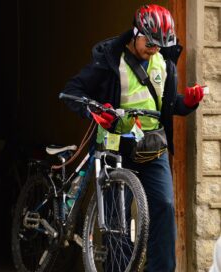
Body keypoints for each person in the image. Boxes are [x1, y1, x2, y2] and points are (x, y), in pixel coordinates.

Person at [61, 4, 204, 272]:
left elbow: (169, 105)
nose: (155, 49)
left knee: (164, 205)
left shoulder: (163, 61)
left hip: (152, 148)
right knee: (117, 219)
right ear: (136, 33)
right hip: (116, 150)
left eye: (161, 44)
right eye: (150, 42)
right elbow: (73, 91)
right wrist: (93, 110)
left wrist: (189, 101)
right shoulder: (109, 60)